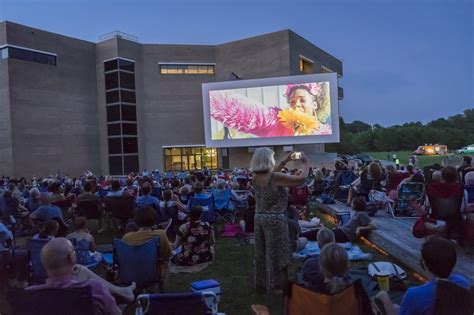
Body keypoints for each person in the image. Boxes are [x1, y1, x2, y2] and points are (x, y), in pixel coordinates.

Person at [251, 148, 310, 293]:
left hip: (259, 218)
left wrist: (285, 161)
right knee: (278, 254)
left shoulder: (254, 176)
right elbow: (300, 180)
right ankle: (277, 285)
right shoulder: (275, 177)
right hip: (275, 220)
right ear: (268, 160)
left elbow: (271, 176)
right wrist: (306, 164)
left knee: (263, 252)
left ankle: (263, 283)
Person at [26, 238, 136, 314]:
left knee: (81, 269)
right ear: (71, 257)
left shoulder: (30, 294)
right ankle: (123, 292)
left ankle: (123, 291)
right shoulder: (92, 288)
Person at [375, 236, 471, 315]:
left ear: (424, 263)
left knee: (382, 298)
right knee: (397, 307)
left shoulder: (415, 294)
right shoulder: (463, 283)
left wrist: (384, 298)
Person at [122, 206, 172, 282]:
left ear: (136, 220)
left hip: (132, 272)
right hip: (154, 272)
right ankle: (162, 287)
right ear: (154, 219)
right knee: (168, 260)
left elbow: (123, 256)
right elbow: (167, 253)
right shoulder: (160, 234)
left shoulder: (127, 237)